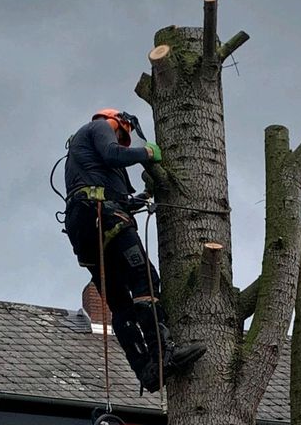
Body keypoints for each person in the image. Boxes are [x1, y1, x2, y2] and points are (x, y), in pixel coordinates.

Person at [64, 109, 206, 393]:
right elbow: (113, 154)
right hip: (104, 216)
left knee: (120, 304)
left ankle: (146, 370)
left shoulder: (85, 163)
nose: (120, 138)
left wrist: (144, 196)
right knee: (145, 279)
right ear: (119, 122)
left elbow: (119, 194)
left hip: (86, 224)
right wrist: (147, 153)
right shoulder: (100, 127)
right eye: (122, 134)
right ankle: (163, 353)